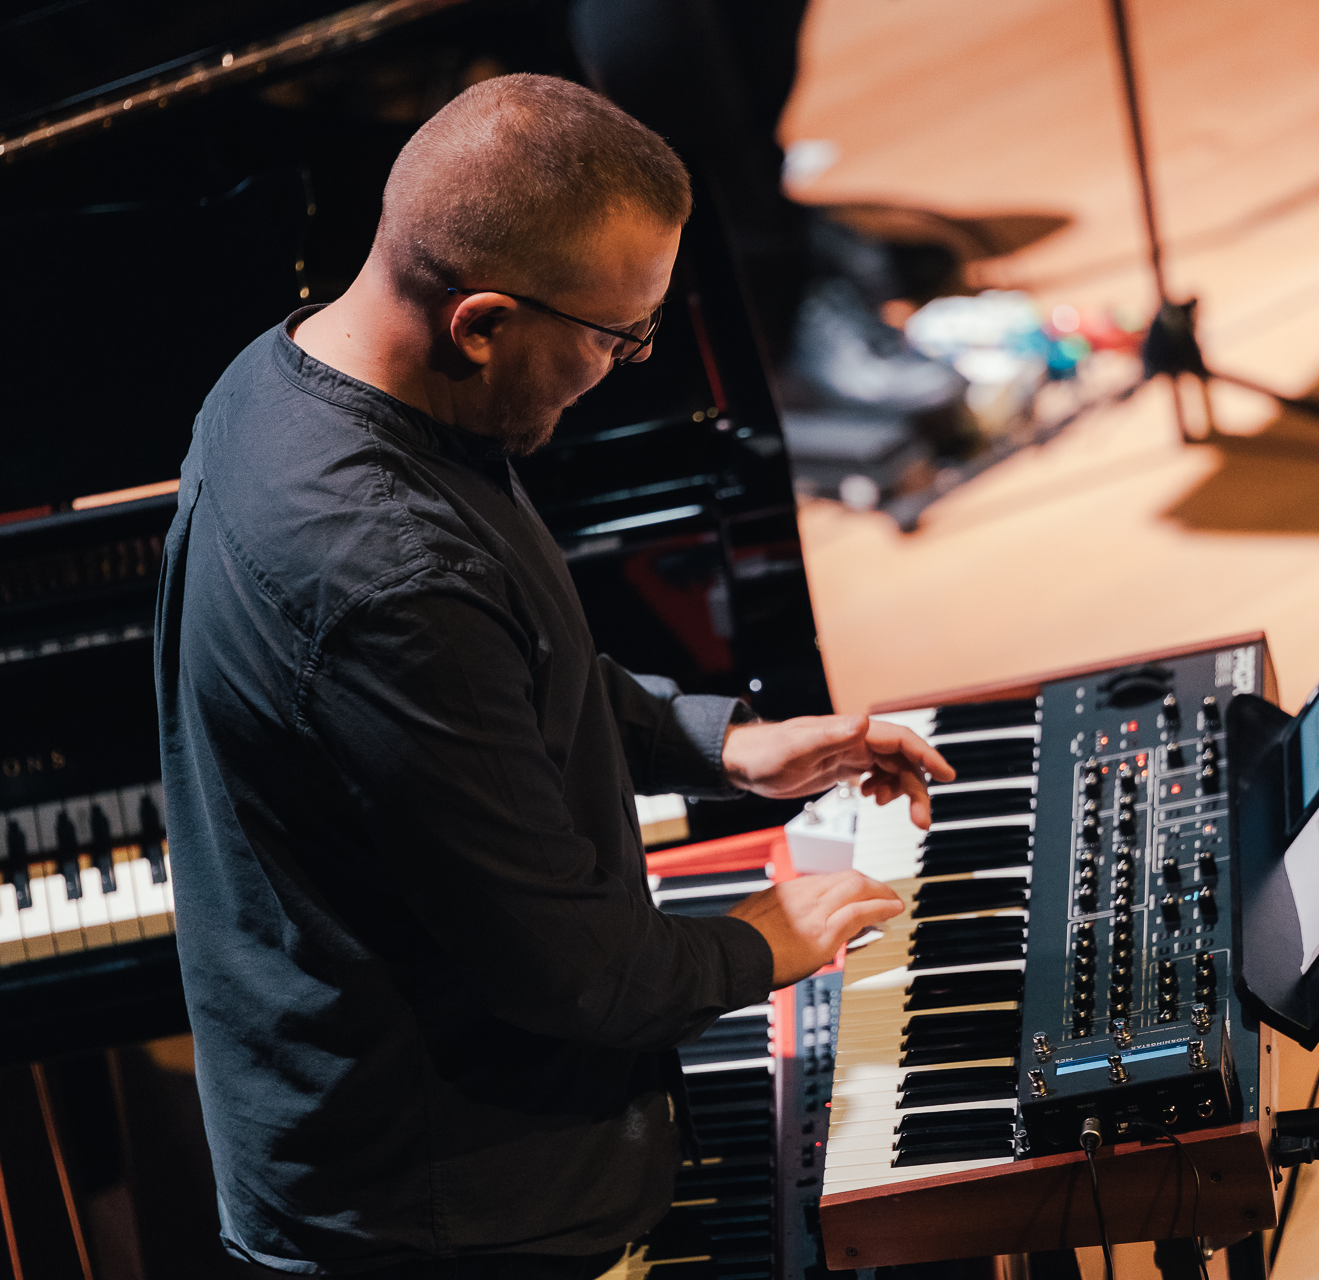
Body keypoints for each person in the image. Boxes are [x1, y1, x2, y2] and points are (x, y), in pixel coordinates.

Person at [153, 73, 951, 1278]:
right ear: (480, 323)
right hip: (447, 1208)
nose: (633, 361)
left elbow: (504, 678)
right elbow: (574, 974)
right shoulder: (384, 574)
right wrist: (764, 941)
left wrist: (725, 744)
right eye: (618, 337)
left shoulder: (283, 375)